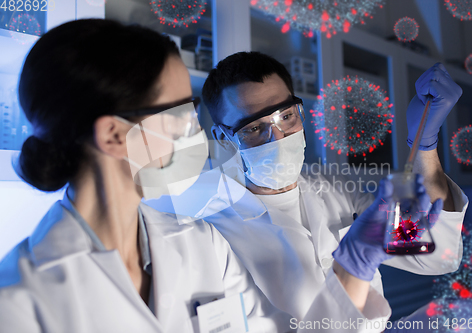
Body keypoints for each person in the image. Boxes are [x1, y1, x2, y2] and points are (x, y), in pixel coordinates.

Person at [0, 20, 299, 332]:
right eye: (182, 112)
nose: (196, 130)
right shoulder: (19, 303)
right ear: (114, 134)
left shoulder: (203, 245)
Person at [177, 52, 467, 324]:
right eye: (253, 129)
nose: (277, 137)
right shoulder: (208, 230)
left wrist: (424, 141)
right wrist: (352, 263)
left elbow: (437, 255)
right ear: (223, 137)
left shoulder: (338, 190)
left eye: (286, 116)